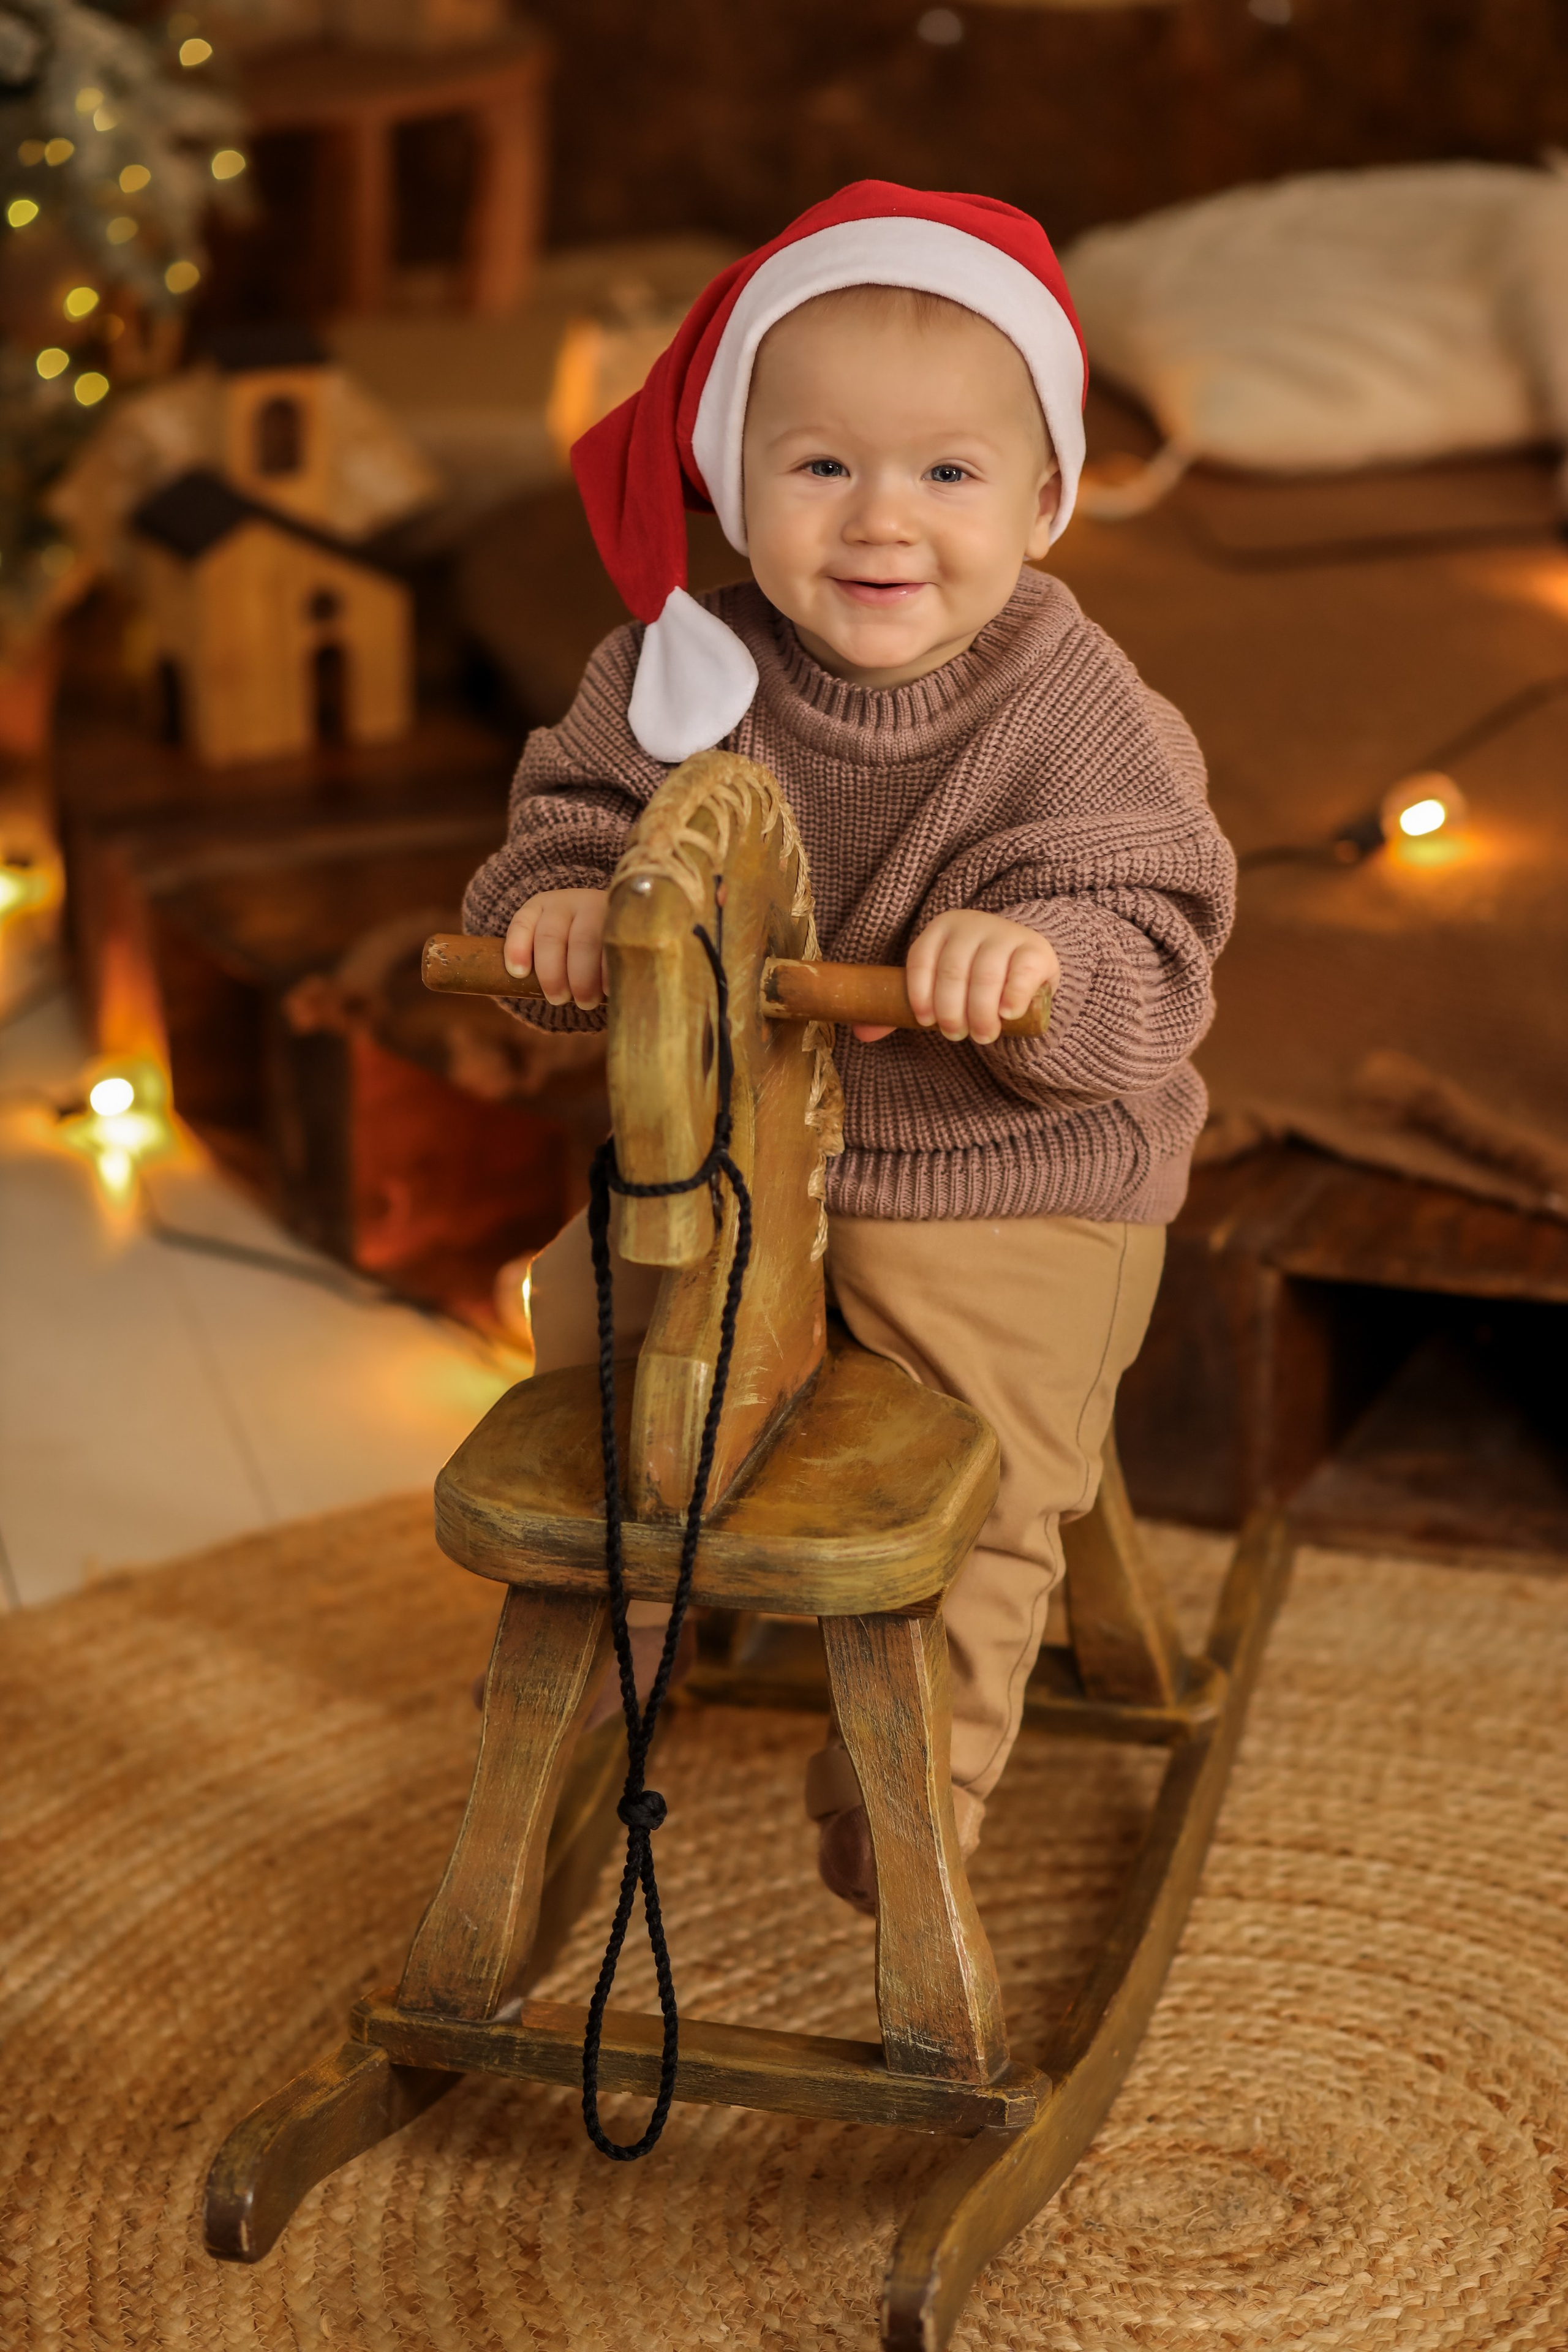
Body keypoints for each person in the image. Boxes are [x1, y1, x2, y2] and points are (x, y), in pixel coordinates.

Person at [463, 181, 1235, 1915]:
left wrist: (1038, 962)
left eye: (949, 473)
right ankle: (610, 1641)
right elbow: (563, 825)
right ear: (736, 480)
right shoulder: (678, 672)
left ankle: (912, 1788)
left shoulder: (1076, 706)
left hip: (1006, 1179)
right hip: (728, 1160)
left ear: (1047, 501)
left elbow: (1158, 949)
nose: (884, 520)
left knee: (981, 1482)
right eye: (821, 466)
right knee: (593, 1349)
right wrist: (566, 913)